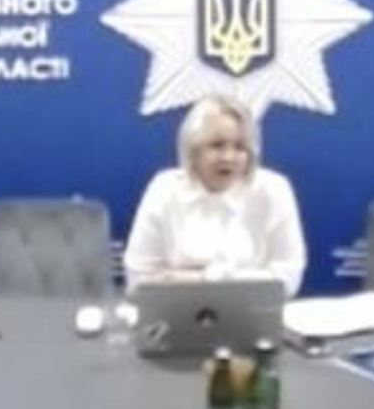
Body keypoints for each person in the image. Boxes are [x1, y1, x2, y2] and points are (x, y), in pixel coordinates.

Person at [123, 95, 306, 294]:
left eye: (240, 147)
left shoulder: (274, 190)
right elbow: (139, 280)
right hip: (175, 312)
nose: (228, 157)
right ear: (193, 150)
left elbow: (287, 279)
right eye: (217, 145)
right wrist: (245, 278)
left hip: (255, 312)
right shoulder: (164, 189)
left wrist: (203, 278)